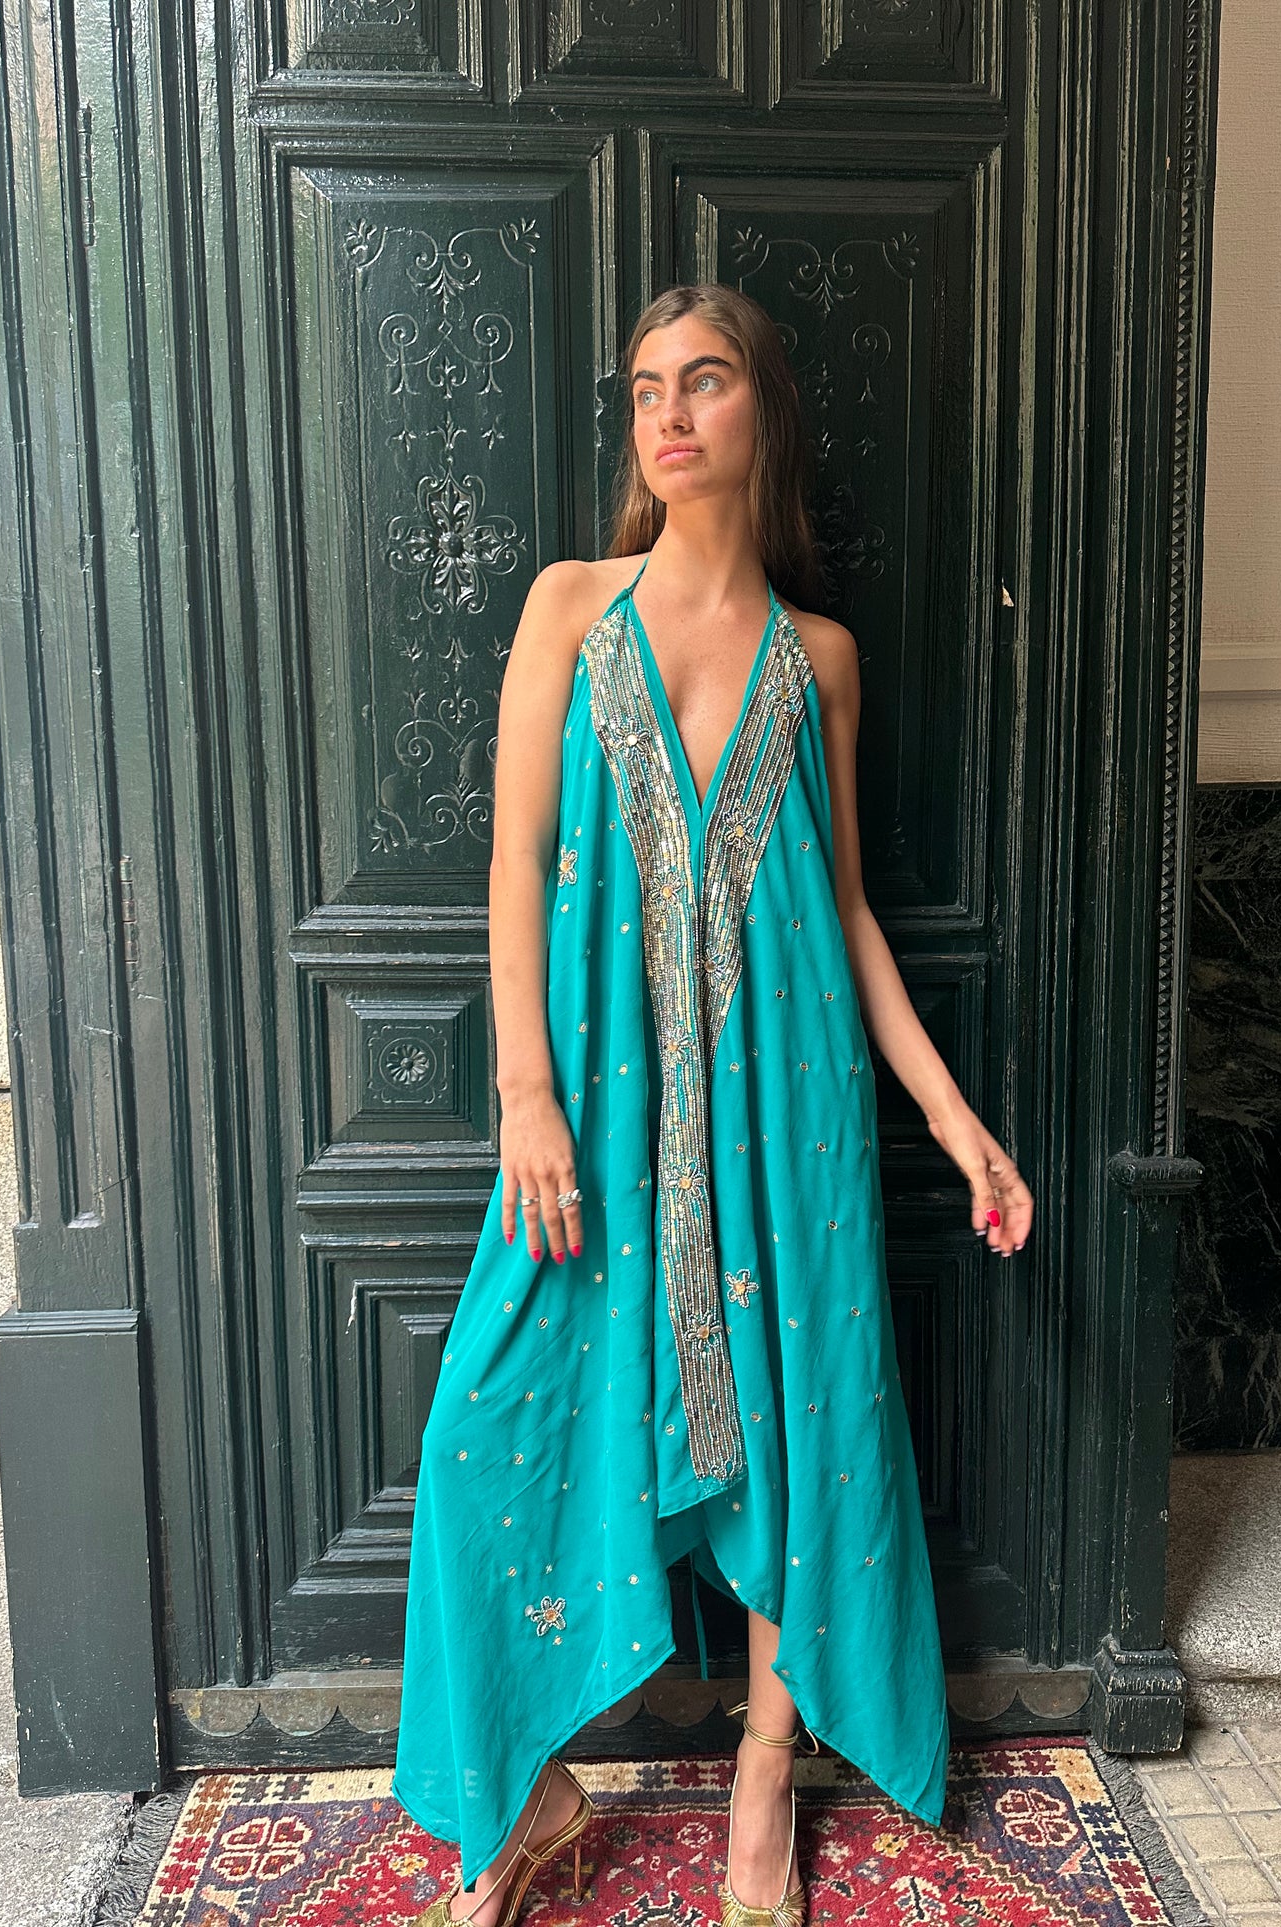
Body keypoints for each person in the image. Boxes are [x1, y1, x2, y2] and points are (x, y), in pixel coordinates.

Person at [391, 282, 1035, 1927]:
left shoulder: (820, 662)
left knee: (791, 1418)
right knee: (482, 1427)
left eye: (705, 379)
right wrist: (525, 1092)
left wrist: (951, 1118)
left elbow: (848, 911)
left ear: (764, 410)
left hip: (784, 1109)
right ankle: (528, 1794)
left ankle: (763, 1775)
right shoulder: (568, 607)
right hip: (595, 1114)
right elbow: (514, 860)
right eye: (643, 388)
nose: (667, 413)